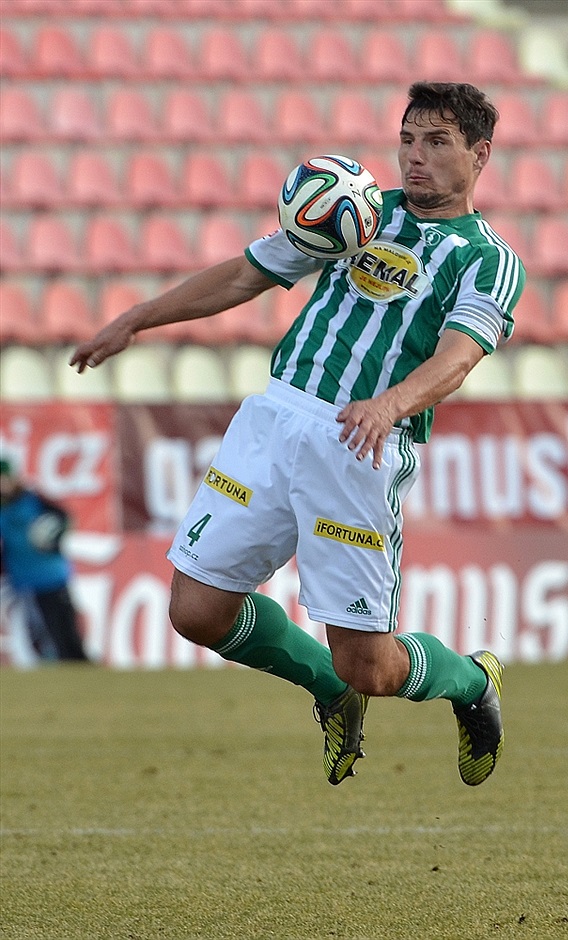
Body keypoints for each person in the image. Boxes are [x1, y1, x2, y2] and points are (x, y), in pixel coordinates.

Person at [71, 82, 525, 786]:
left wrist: (389, 404)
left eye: (437, 142)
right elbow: (245, 275)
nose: (414, 157)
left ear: (480, 154)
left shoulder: (488, 260)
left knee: (369, 665)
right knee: (196, 610)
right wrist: (137, 317)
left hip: (358, 446)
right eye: (407, 139)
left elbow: (458, 356)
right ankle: (326, 688)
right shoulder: (356, 214)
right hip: (275, 419)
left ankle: (471, 682)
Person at [0, 458, 90, 662]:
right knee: (44, 630)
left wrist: (52, 541)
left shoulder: (33, 499)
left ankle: (80, 664)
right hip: (26, 581)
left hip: (53, 574)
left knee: (65, 625)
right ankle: (58, 666)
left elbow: (63, 517)